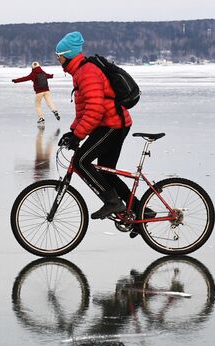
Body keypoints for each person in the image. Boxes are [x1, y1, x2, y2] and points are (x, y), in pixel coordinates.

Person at [55, 31, 151, 223]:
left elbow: (95, 109)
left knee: (81, 161)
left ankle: (113, 202)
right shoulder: (80, 72)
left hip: (113, 124)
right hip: (111, 123)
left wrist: (79, 135)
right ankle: (140, 212)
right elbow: (84, 110)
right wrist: (73, 131)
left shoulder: (87, 72)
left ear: (68, 55)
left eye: (59, 56)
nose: (58, 60)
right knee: (106, 171)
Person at [12, 61, 60, 128]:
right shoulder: (43, 72)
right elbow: (49, 76)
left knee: (38, 105)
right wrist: (53, 75)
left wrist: (15, 80)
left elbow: (25, 78)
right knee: (49, 102)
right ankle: (55, 111)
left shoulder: (33, 74)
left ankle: (41, 118)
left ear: (32, 67)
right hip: (47, 91)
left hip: (39, 92)